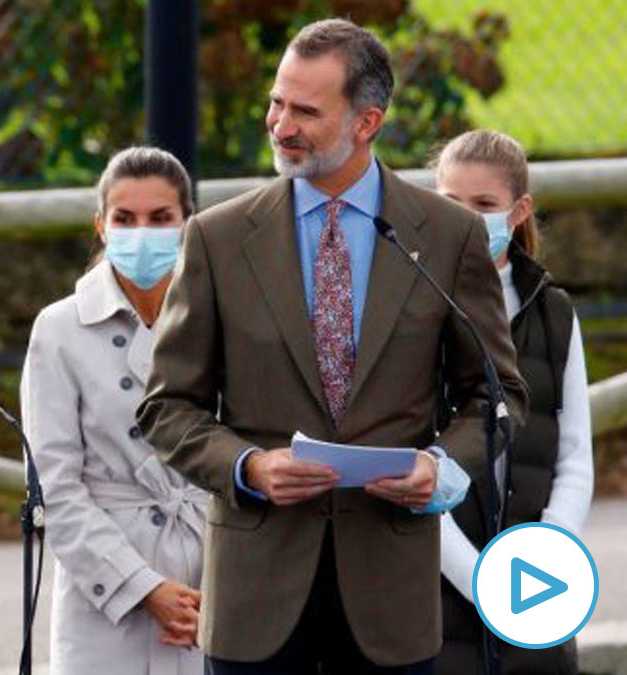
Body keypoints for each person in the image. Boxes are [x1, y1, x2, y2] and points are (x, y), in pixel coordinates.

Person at [137, 18, 527, 674]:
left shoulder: (450, 236)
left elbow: (497, 398)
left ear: (367, 121)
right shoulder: (218, 239)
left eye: (305, 111)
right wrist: (248, 466)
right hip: (254, 601)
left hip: (391, 603)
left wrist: (441, 469)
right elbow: (166, 406)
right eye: (276, 101)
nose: (280, 124)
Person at [21, 146, 209, 674]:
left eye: (160, 218)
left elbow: (245, 454)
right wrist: (142, 587)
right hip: (104, 590)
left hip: (208, 578)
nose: (141, 232)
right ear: (100, 225)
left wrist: (216, 591)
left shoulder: (219, 319)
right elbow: (54, 486)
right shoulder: (59, 329)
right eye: (125, 218)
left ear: (186, 223)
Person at [433, 130, 593, 674]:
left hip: (538, 594)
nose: (467, 220)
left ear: (519, 209)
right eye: (453, 205)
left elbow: (574, 457)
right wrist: (483, 583)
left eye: (485, 205)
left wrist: (544, 562)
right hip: (440, 600)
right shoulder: (410, 312)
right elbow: (408, 465)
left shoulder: (554, 313)